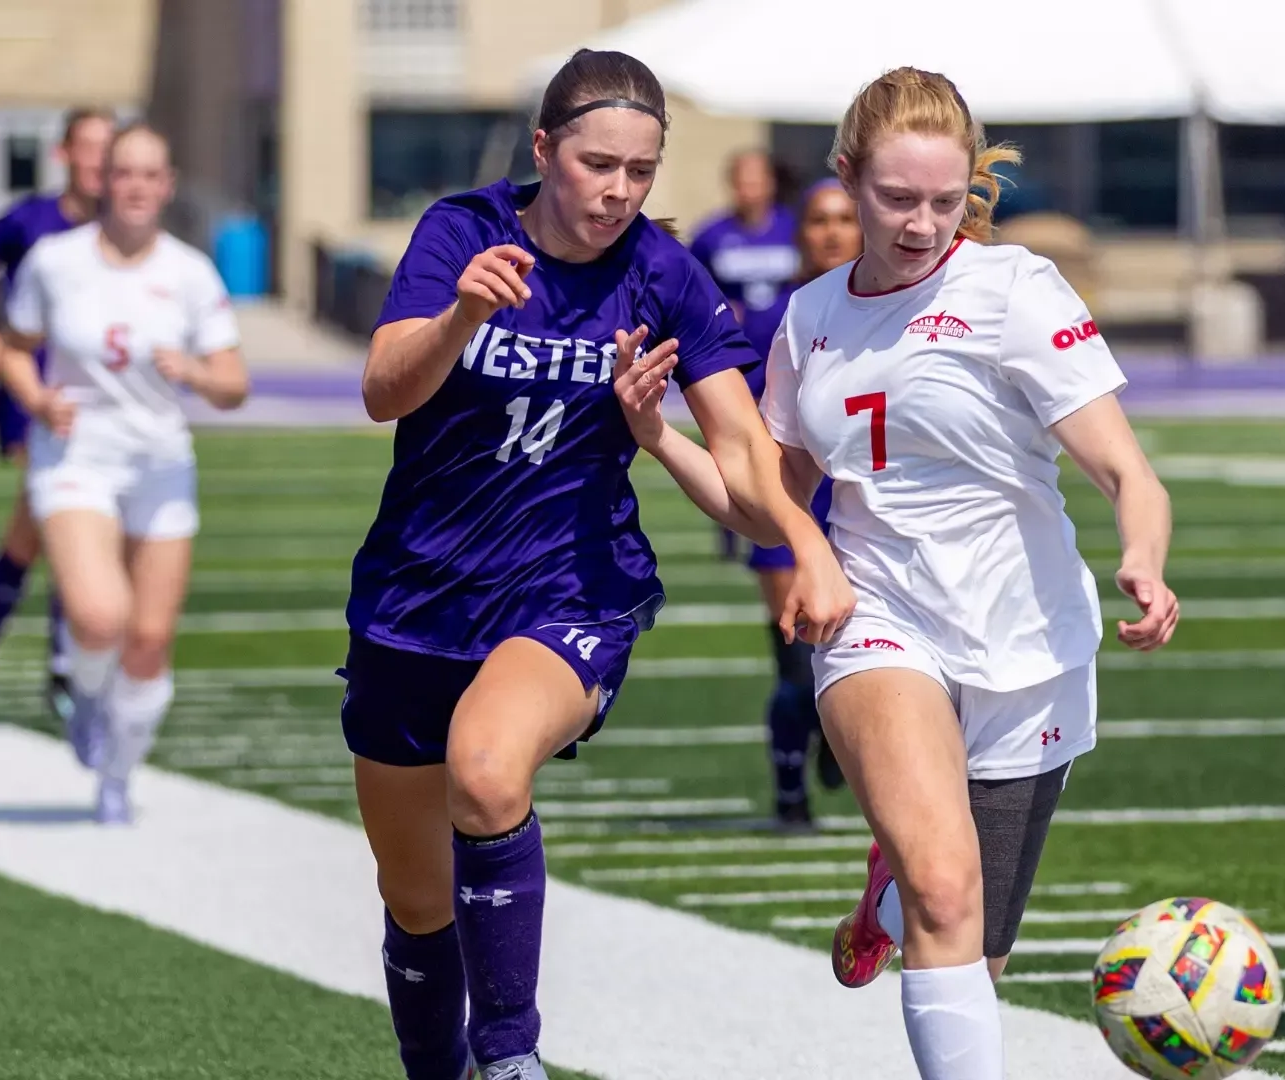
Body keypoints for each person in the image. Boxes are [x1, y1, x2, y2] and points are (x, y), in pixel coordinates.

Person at [617, 67, 1177, 1080]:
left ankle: (882, 906)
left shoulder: (1015, 291)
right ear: (846, 178)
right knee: (947, 891)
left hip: (1028, 638)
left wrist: (1143, 553)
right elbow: (769, 496)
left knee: (976, 942)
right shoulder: (810, 318)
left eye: (944, 200)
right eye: (896, 198)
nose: (921, 223)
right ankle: (908, 890)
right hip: (879, 625)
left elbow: (1125, 470)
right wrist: (658, 436)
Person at [341, 49, 853, 1080]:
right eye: (596, 164)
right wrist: (461, 319)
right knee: (416, 897)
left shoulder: (662, 274)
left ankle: (512, 1056)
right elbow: (384, 392)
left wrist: (806, 547)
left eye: (640, 172)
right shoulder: (461, 231)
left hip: (570, 586)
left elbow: (747, 445)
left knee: (486, 773)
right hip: (416, 595)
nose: (617, 192)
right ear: (543, 150)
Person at [0, 123, 249, 823]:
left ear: (167, 187)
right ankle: (83, 696)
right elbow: (14, 349)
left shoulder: (189, 272)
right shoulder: (55, 261)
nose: (136, 187)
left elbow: (234, 384)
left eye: (150, 175)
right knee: (99, 616)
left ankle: (117, 775)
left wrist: (194, 370)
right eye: (124, 173)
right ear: (102, 181)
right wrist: (38, 398)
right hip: (77, 457)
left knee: (148, 640)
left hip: (161, 464)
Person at [0, 107, 115, 727]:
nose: (99, 161)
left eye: (108, 149)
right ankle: (62, 668)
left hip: (94, 401)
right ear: (64, 154)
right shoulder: (30, 221)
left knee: (36, 531)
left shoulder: (120, 230)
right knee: (67, 517)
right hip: (33, 397)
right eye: (88, 149)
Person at [732, 178, 861, 831]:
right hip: (789, 507)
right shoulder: (774, 314)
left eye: (846, 217)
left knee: (857, 654)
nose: (833, 231)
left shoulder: (894, 308)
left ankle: (841, 736)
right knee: (798, 661)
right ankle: (791, 789)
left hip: (868, 510)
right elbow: (738, 419)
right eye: (819, 219)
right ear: (799, 232)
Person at [689, 148, 800, 347]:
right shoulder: (710, 235)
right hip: (734, 344)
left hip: (790, 339)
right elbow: (690, 286)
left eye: (756, 183)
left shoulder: (795, 229)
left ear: (771, 183)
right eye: (743, 184)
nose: (749, 192)